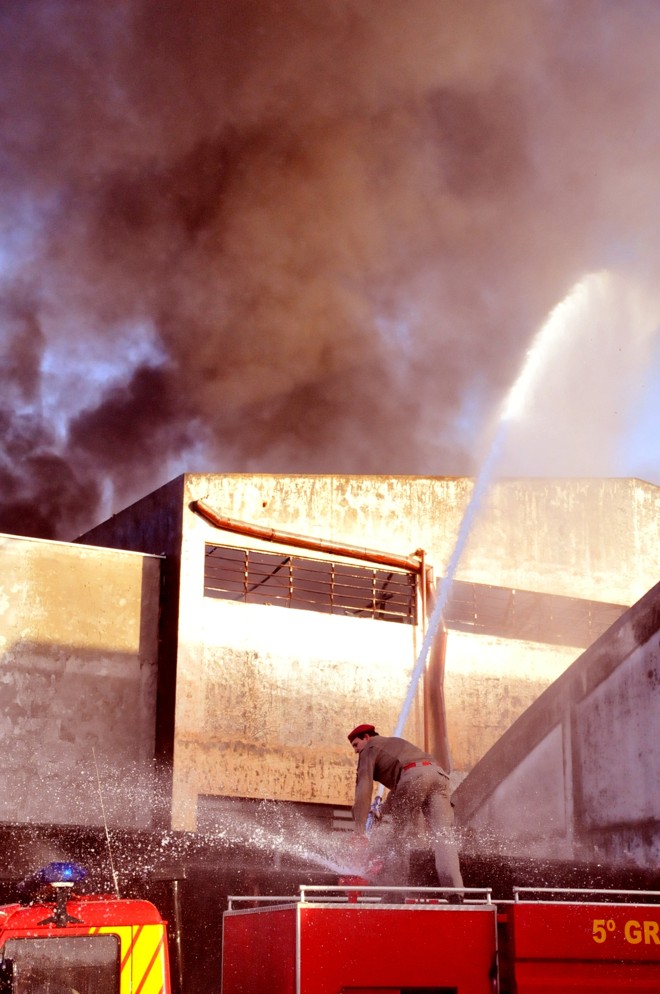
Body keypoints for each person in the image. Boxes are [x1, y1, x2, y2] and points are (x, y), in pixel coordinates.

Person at [348, 722, 464, 894]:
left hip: (414, 777)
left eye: (356, 745)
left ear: (366, 737)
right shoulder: (395, 743)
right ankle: (456, 893)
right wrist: (383, 809)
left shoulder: (369, 748)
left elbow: (363, 789)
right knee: (443, 837)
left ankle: (397, 893)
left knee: (399, 838)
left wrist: (359, 831)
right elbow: (405, 786)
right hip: (439, 776)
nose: (356, 750)